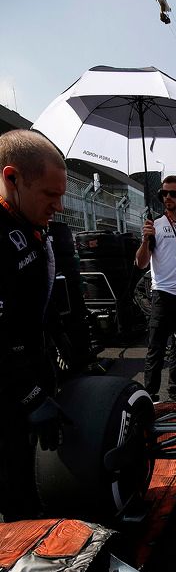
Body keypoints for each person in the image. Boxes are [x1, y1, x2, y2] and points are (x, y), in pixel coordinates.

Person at [0, 129, 67, 520]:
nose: (58, 205)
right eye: (49, 194)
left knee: (35, 486)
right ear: (12, 178)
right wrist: (30, 396)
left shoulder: (31, 225)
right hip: (8, 394)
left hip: (32, 374)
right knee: (17, 501)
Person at [136, 175, 176, 402]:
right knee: (156, 348)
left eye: (172, 194)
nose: (167, 198)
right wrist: (145, 240)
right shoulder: (154, 225)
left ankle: (175, 393)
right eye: (164, 194)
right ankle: (151, 396)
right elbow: (141, 263)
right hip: (162, 295)